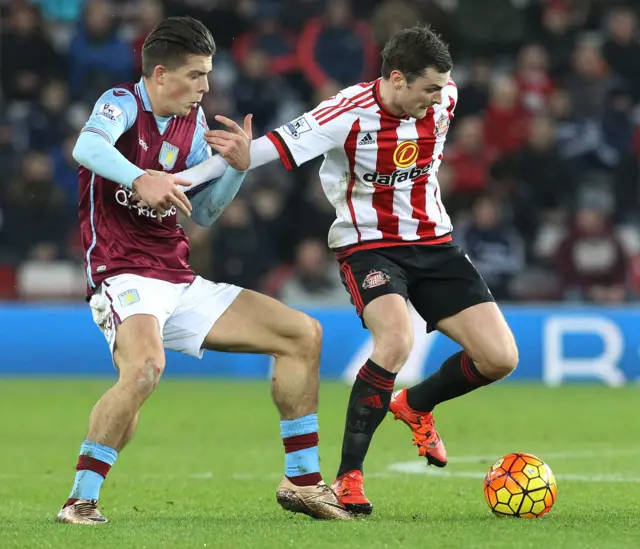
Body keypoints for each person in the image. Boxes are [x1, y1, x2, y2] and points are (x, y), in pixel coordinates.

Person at [182, 26, 519, 516]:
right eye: (426, 90)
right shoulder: (346, 112)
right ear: (397, 79)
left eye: (441, 89)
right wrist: (189, 176)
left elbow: (440, 98)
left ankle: (415, 405)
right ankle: (348, 478)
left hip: (435, 243)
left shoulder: (444, 98)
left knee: (500, 358)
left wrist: (438, 94)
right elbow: (268, 149)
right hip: (369, 246)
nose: (435, 100)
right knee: (396, 341)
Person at [57, 16, 352, 525]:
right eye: (196, 75)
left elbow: (207, 213)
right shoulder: (122, 103)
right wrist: (140, 176)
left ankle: (303, 481)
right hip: (121, 274)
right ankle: (79, 501)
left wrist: (236, 170)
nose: (206, 86)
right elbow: (85, 147)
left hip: (177, 278)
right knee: (146, 369)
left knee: (302, 334)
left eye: (209, 74)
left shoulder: (195, 130)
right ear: (162, 73)